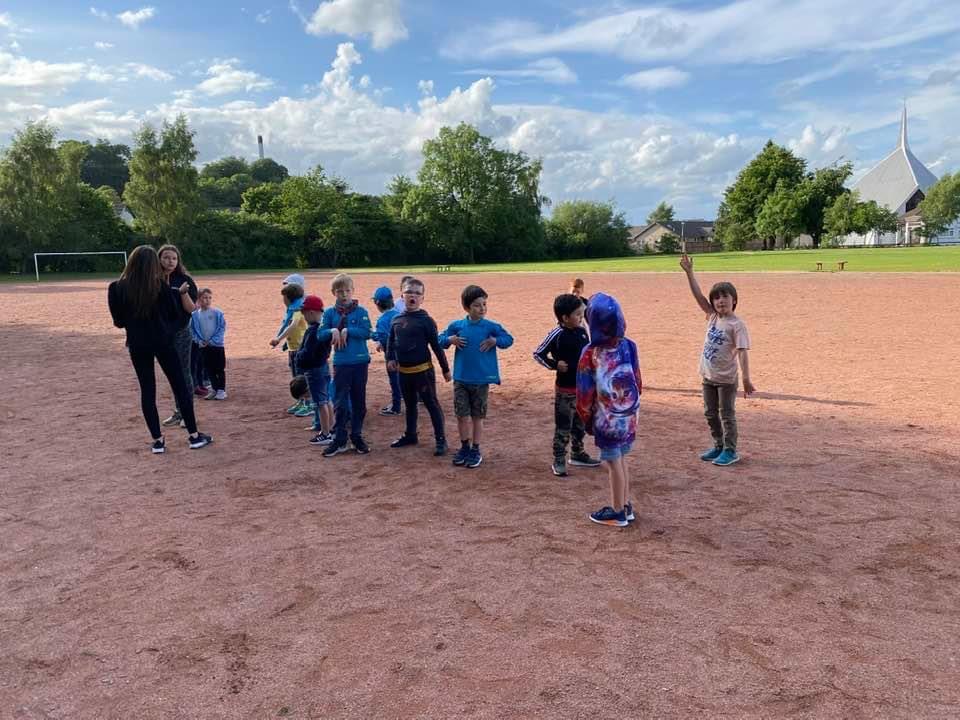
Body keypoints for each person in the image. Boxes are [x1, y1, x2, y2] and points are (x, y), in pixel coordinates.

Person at [108, 245, 212, 453]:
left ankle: (157, 441)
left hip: (137, 344)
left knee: (148, 391)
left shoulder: (116, 288)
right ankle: (193, 436)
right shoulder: (161, 287)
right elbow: (175, 316)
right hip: (164, 343)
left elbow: (118, 322)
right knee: (180, 386)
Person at [680, 252, 755, 466]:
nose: (720, 300)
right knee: (710, 413)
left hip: (726, 380)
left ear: (734, 300)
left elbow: (742, 352)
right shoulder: (712, 316)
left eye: (725, 297)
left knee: (726, 415)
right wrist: (689, 273)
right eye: (716, 298)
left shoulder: (736, 325)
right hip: (708, 376)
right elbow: (698, 297)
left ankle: (731, 450)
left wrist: (746, 378)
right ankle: (719, 445)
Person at [576, 293, 641, 528]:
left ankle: (617, 511)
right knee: (621, 458)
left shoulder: (590, 353)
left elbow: (584, 392)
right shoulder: (629, 346)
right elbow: (638, 380)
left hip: (607, 418)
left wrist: (586, 418)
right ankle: (625, 504)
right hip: (628, 415)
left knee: (613, 462)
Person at [439, 284, 513, 468]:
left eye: (484, 304)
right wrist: (450, 340)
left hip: (480, 381)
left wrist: (495, 340)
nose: (482, 308)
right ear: (466, 307)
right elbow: (440, 340)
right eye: (477, 305)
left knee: (477, 417)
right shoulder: (457, 326)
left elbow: (508, 339)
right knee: (461, 415)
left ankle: (475, 449)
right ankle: (464, 447)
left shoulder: (490, 327)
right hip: (461, 379)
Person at [533, 294, 602, 477]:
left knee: (580, 424)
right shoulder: (557, 334)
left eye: (582, 314)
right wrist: (555, 365)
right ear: (565, 318)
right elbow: (538, 354)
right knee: (563, 427)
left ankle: (577, 453)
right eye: (578, 315)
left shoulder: (582, 332)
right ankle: (559, 459)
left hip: (583, 389)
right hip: (565, 391)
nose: (581, 318)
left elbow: (589, 353)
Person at [386, 277, 451, 456]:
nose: (412, 296)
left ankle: (441, 439)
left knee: (431, 404)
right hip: (404, 372)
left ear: (422, 298)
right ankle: (411, 435)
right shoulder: (396, 319)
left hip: (423, 372)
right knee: (409, 404)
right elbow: (391, 341)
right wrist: (390, 358)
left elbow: (436, 346)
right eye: (409, 292)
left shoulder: (426, 321)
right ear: (402, 296)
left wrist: (445, 369)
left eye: (417, 293)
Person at [317, 273, 373, 457]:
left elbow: (367, 332)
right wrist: (333, 330)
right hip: (341, 363)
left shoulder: (361, 311)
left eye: (347, 291)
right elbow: (320, 334)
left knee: (359, 402)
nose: (344, 295)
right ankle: (340, 439)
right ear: (333, 292)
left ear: (353, 291)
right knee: (340, 402)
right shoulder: (330, 313)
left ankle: (356, 436)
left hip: (360, 361)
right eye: (340, 291)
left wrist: (348, 330)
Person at [158, 244, 198, 427]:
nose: (170, 261)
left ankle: (187, 414)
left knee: (183, 372)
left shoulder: (184, 280)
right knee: (171, 374)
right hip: (161, 334)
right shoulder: (153, 280)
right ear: (159, 259)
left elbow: (191, 309)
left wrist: (183, 293)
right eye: (166, 257)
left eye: (174, 258)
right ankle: (178, 411)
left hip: (181, 333)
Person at [296, 294, 335, 445]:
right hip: (323, 366)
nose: (304, 316)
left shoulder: (313, 331)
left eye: (304, 312)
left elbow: (308, 353)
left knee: (320, 402)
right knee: (327, 399)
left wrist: (298, 356)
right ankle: (331, 429)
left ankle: (325, 433)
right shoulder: (324, 328)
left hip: (314, 369)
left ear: (311, 312)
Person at [270, 283, 312, 417]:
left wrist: (279, 339)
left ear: (289, 298)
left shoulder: (297, 311)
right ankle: (301, 400)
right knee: (296, 377)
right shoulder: (292, 310)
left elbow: (293, 326)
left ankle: (309, 404)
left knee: (303, 378)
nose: (283, 300)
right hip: (293, 349)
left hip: (300, 349)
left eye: (284, 297)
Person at [190, 288, 227, 400]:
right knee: (209, 368)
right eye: (205, 298)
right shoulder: (195, 315)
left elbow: (221, 328)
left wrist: (212, 340)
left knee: (219, 368)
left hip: (217, 346)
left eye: (209, 298)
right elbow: (192, 330)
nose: (207, 300)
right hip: (203, 346)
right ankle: (214, 389)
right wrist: (199, 341)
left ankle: (221, 390)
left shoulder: (217, 313)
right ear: (199, 299)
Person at [371, 286, 402, 416]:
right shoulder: (399, 314)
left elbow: (384, 339)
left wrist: (372, 335)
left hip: (392, 355)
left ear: (378, 303)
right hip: (404, 354)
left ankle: (396, 406)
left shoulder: (383, 320)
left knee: (394, 380)